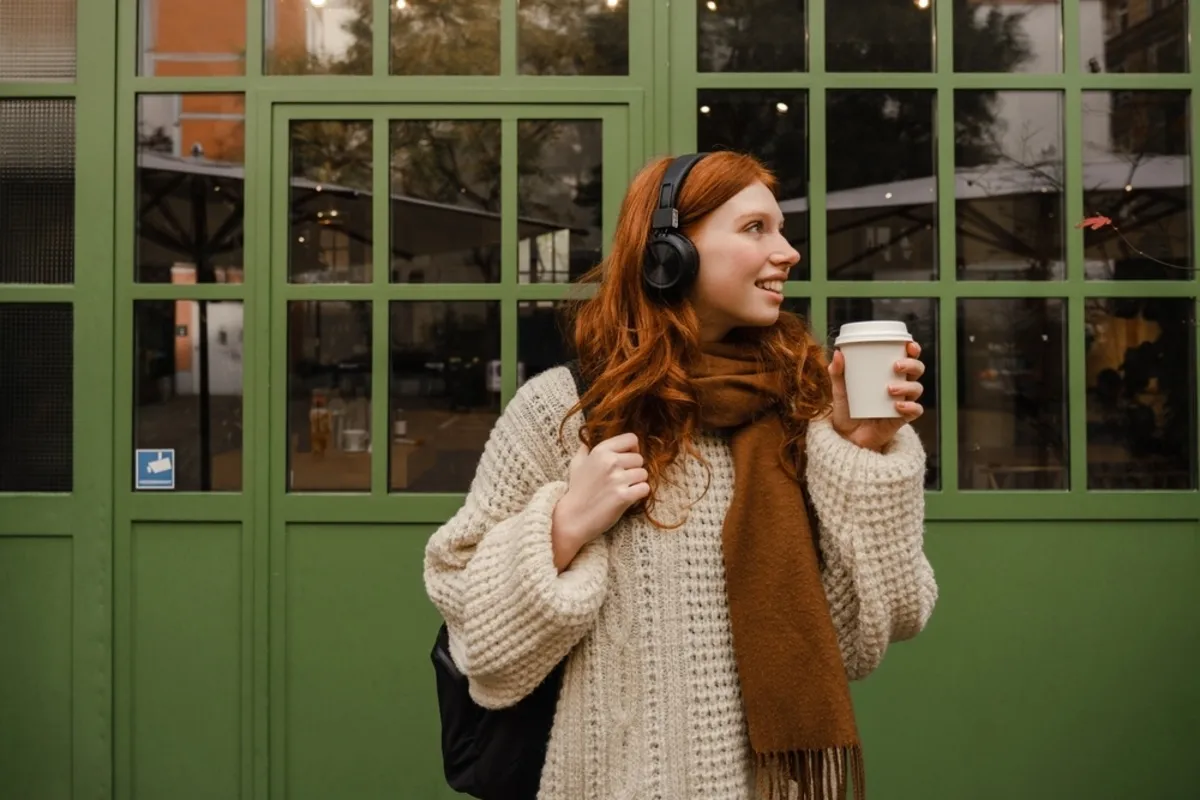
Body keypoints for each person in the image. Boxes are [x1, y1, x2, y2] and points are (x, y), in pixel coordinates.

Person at [424, 151, 937, 800]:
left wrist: (858, 453)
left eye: (782, 230)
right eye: (755, 229)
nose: (787, 252)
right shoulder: (566, 410)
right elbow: (481, 649)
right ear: (671, 250)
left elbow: (878, 630)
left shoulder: (808, 410)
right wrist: (565, 523)